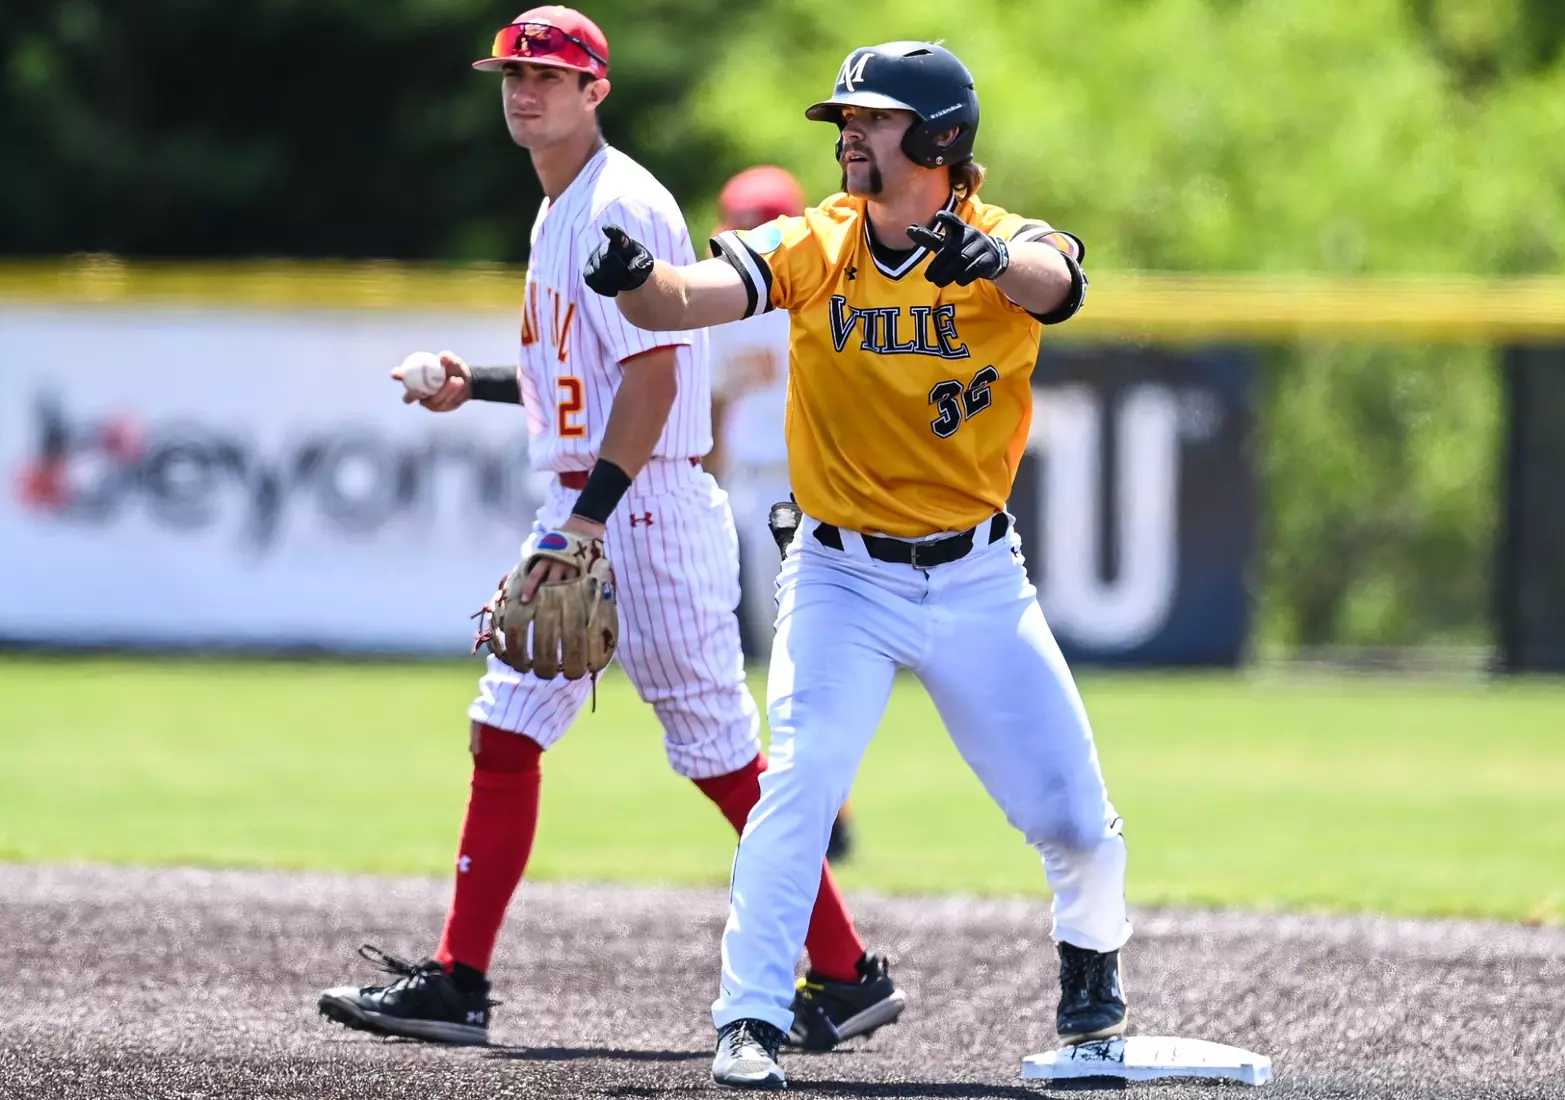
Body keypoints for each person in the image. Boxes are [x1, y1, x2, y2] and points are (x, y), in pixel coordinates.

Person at [314, 9, 904, 1052]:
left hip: (640, 508)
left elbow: (656, 373)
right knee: (504, 731)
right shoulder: (561, 207)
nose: (523, 89)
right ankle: (459, 978)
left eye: (548, 73)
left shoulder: (615, 203)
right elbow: (580, 380)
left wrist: (585, 523)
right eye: (512, 73)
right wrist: (477, 384)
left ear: (596, 91)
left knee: (722, 756)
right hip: (598, 500)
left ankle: (844, 969)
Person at [582, 41, 1130, 1090]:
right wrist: (638, 281)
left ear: (937, 136)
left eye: (870, 119)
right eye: (844, 119)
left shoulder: (1000, 243)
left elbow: (1058, 280)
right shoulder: (817, 241)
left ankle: (1092, 999)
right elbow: (686, 299)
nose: (847, 134)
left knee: (1072, 815)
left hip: (976, 576)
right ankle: (747, 1017)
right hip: (839, 576)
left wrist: (991, 264)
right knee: (797, 783)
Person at [703, 165, 857, 865]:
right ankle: (816, 806)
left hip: (802, 487)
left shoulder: (818, 293)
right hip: (749, 484)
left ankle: (821, 808)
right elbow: (712, 410)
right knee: (778, 650)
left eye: (754, 221)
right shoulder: (728, 307)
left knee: (800, 652)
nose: (742, 234)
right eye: (739, 222)